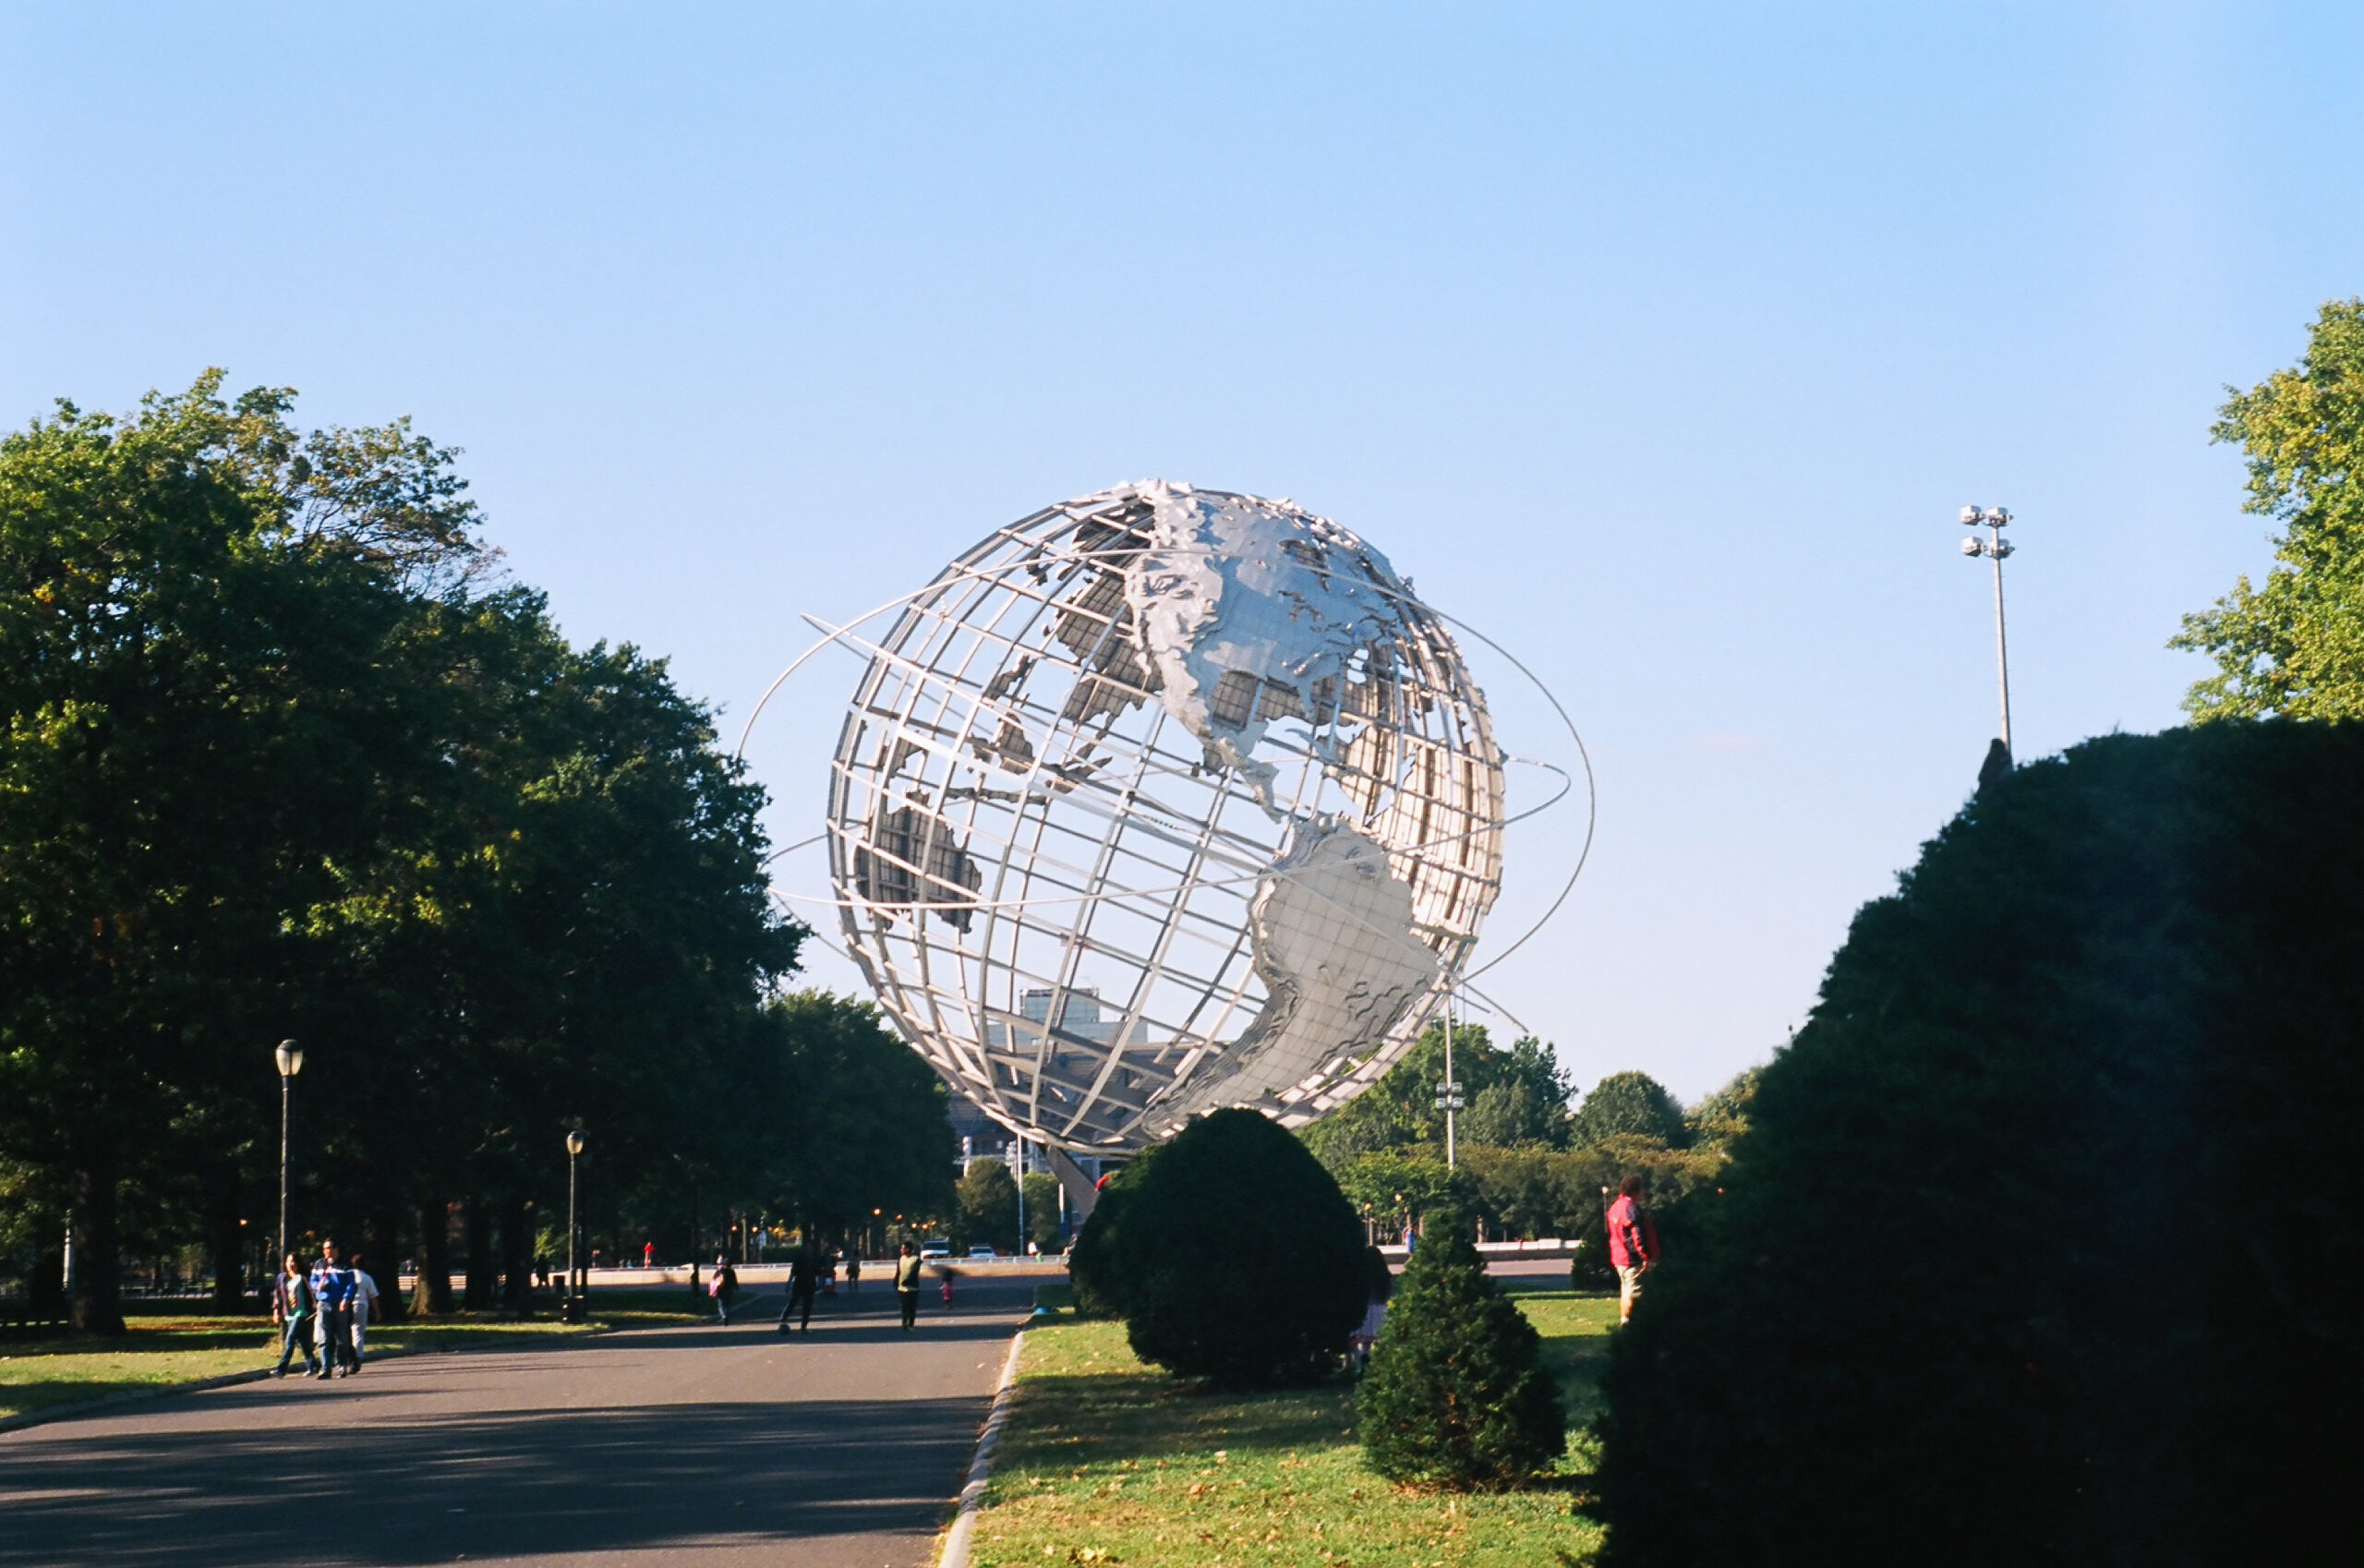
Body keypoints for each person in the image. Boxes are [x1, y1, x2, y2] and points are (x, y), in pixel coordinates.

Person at [1607, 1175, 1659, 1324]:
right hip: (1633, 1259)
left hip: (1619, 1258)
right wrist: (1646, 1258)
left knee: (1626, 1291)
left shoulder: (1615, 1207)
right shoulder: (1631, 1209)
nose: (1644, 1193)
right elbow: (1637, 1236)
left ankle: (1625, 1320)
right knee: (1635, 1292)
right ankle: (1631, 1325)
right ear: (1636, 1191)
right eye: (1642, 1189)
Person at [310, 1239, 358, 1377]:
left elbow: (351, 1284)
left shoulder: (345, 1264)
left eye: (329, 1248)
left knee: (341, 1337)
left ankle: (341, 1364)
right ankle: (325, 1368)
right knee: (324, 1337)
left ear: (336, 1249)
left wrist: (346, 1299)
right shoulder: (319, 1264)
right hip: (323, 1303)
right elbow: (313, 1280)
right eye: (325, 1248)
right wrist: (316, 1286)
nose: (327, 1251)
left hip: (340, 1304)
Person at [271, 1252, 319, 1378]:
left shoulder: (303, 1277)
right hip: (289, 1313)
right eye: (288, 1262)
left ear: (298, 1263)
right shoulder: (282, 1278)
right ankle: (313, 1365)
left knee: (290, 1338)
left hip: (301, 1313)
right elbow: (277, 1295)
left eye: (293, 1262)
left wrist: (317, 1306)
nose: (290, 1264)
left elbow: (312, 1292)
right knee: (301, 1341)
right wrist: (276, 1310)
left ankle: (281, 1368)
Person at [1349, 1244, 1393, 1373]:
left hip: (1366, 1310)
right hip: (1380, 1310)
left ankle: (1360, 1364)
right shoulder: (1385, 1276)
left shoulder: (1364, 1276)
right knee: (1373, 1341)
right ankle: (1372, 1363)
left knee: (1356, 1340)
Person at [348, 1252, 382, 1369]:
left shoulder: (348, 1275)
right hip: (361, 1305)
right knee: (358, 1331)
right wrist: (377, 1312)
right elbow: (373, 1296)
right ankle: (358, 1355)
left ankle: (348, 1355)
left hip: (347, 1304)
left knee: (346, 1331)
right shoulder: (367, 1278)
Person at [778, 1243, 816, 1334]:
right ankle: (783, 1319)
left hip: (810, 1284)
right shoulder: (800, 1258)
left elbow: (816, 1271)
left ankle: (804, 1327)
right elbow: (793, 1272)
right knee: (793, 1302)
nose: (810, 1248)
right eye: (809, 1246)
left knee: (807, 1306)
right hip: (799, 1283)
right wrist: (789, 1283)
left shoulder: (815, 1258)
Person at [893, 1241, 922, 1332]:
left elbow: (915, 1272)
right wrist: (895, 1281)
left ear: (908, 1249)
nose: (901, 1250)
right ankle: (904, 1323)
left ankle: (911, 1324)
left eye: (903, 1248)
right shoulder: (901, 1259)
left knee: (911, 1307)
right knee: (904, 1307)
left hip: (912, 1288)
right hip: (901, 1288)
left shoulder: (916, 1259)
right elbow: (898, 1272)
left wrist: (908, 1281)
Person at [709, 1253, 738, 1324]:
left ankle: (724, 1316)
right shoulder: (732, 1271)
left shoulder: (720, 1271)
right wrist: (736, 1287)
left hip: (720, 1289)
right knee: (728, 1304)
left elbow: (714, 1278)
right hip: (729, 1289)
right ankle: (727, 1315)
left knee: (721, 1304)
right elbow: (734, 1281)